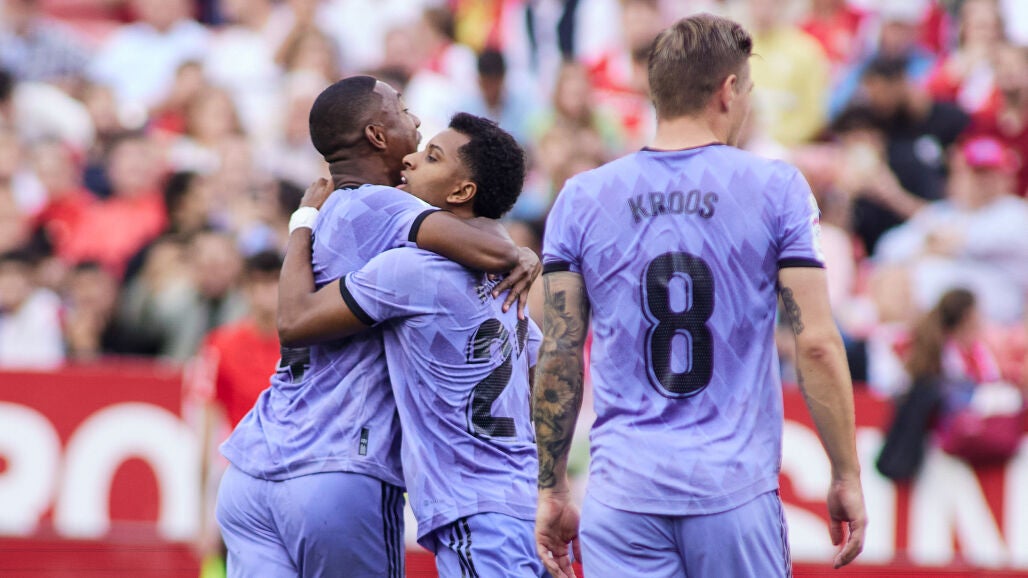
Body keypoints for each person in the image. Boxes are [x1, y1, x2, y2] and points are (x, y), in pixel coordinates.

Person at [533, 14, 866, 578]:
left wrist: (552, 486)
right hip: (731, 489)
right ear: (729, 90)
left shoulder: (581, 197)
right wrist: (845, 474)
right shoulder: (777, 188)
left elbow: (560, 350)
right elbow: (814, 343)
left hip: (622, 493)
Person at [215, 76, 537, 578]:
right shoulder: (387, 208)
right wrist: (521, 254)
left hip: (253, 465)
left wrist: (300, 223)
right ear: (377, 135)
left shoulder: (327, 213)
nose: (416, 121)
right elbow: (495, 250)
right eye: (404, 110)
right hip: (337, 464)